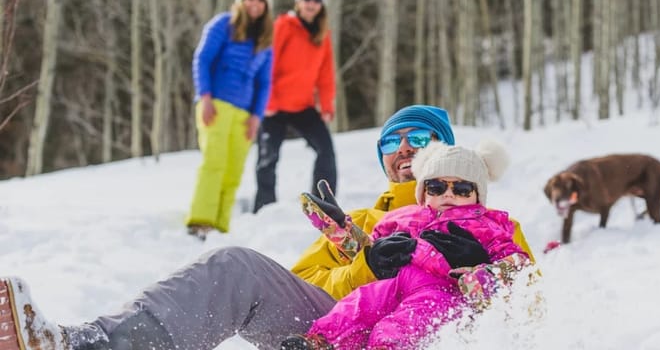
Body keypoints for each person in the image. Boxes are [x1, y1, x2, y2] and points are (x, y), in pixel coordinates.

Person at [0, 105, 533, 350]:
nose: (405, 149)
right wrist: (364, 266)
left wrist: (485, 274)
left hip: (433, 336)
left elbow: (534, 311)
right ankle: (91, 348)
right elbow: (303, 283)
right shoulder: (361, 223)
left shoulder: (491, 227)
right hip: (339, 335)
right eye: (392, 142)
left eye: (420, 138)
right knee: (236, 267)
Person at [281, 140, 532, 350]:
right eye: (436, 187)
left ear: (478, 196)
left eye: (462, 188)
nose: (448, 194)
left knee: (399, 326)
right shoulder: (406, 216)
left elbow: (518, 264)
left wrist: (485, 274)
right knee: (359, 304)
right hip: (396, 282)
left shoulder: (489, 225)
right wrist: (338, 229)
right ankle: (321, 341)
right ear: (423, 192)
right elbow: (371, 249)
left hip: (440, 291)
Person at [185, 0, 274, 240]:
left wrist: (256, 117)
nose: (255, 4)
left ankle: (220, 225)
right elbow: (202, 59)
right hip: (216, 105)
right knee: (214, 162)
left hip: (244, 114)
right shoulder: (223, 24)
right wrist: (205, 97)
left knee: (233, 170)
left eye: (260, 1)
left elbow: (264, 82)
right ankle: (201, 221)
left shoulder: (266, 38)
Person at [253, 0, 337, 212]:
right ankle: (264, 208)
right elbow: (268, 62)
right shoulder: (283, 25)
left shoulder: (322, 33)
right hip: (275, 106)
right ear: (298, 2)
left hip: (303, 106)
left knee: (325, 150)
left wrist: (326, 105)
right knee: (268, 158)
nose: (311, 4)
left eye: (316, 0)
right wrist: (268, 101)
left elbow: (325, 73)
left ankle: (324, 206)